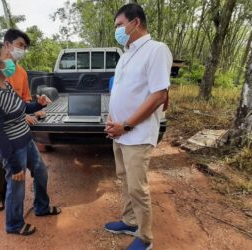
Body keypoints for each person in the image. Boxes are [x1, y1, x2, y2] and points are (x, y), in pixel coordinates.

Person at [104, 3, 172, 250]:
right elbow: (121, 91)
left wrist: (127, 125)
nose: (118, 31)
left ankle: (145, 238)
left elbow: (158, 95)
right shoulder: (126, 55)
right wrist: (113, 121)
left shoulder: (156, 50)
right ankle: (130, 221)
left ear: (136, 23)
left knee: (137, 187)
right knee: (124, 181)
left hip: (137, 133)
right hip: (119, 133)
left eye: (120, 25)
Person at [0, 40, 60, 236]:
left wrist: (38, 104)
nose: (12, 58)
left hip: (26, 140)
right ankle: (14, 225)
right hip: (14, 148)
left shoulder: (5, 85)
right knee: (17, 185)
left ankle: (42, 207)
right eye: (7, 56)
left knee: (40, 172)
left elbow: (21, 108)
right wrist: (13, 164)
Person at [0, 29, 44, 211]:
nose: (22, 50)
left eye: (25, 47)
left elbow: (23, 99)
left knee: (14, 164)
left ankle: (11, 197)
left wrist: (35, 107)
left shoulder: (22, 73)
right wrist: (23, 114)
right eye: (19, 45)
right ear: (7, 45)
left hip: (15, 125)